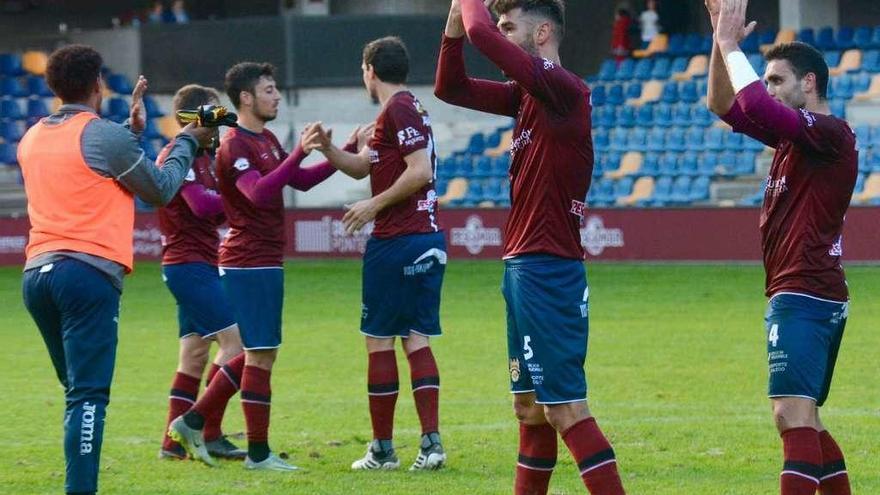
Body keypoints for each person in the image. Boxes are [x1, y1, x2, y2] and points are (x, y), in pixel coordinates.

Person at [435, 1, 626, 494]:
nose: (500, 33)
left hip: (549, 268)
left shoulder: (564, 89)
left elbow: (481, 33)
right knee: (529, 409)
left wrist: (471, 11)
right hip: (522, 265)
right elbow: (449, 87)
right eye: (500, 24)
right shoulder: (525, 97)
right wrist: (452, 32)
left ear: (542, 33)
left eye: (509, 26)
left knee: (564, 408)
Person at [18, 44, 214, 495]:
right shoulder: (103, 135)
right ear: (97, 86)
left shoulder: (32, 137)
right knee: (89, 396)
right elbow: (162, 189)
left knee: (76, 390)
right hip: (85, 275)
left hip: (36, 276)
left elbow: (85, 164)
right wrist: (186, 139)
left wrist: (131, 133)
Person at [168, 62, 357, 471]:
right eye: (269, 90)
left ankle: (195, 420)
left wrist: (343, 154)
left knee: (257, 353)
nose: (277, 96)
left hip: (265, 258)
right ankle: (254, 453)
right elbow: (256, 193)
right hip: (247, 261)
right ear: (247, 98)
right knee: (258, 355)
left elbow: (300, 183)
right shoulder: (235, 143)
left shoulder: (266, 138)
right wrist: (299, 153)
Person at [705, 1, 857, 494]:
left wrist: (732, 46)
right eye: (766, 80)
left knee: (790, 413)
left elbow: (750, 104)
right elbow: (722, 105)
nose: (768, 88)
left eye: (777, 80)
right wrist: (717, 42)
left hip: (806, 291)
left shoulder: (831, 135)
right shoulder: (796, 141)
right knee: (803, 417)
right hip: (802, 291)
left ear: (808, 83)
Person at [305, 36, 447, 472]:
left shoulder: (399, 109)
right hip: (426, 238)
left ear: (370, 70)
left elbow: (419, 171)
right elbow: (366, 165)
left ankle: (383, 450)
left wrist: (373, 204)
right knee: (415, 337)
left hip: (398, 239)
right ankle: (431, 445)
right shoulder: (402, 110)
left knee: (380, 341)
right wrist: (330, 149)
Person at [157, 84, 245, 462]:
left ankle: (171, 447)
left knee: (193, 356)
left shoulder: (203, 155)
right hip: (188, 265)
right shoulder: (179, 155)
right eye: (213, 118)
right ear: (193, 120)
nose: (218, 127)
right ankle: (204, 431)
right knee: (238, 345)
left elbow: (216, 209)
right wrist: (244, 197)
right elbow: (200, 205)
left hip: (198, 262)